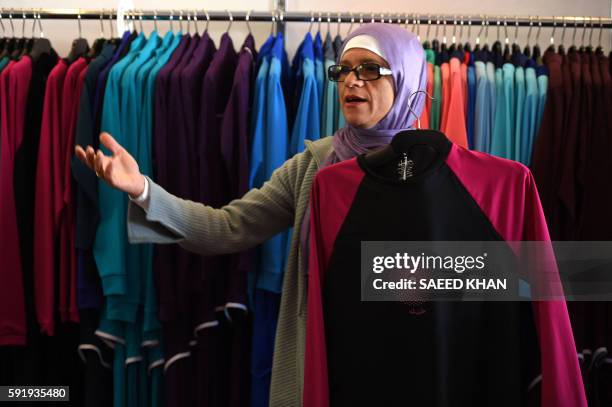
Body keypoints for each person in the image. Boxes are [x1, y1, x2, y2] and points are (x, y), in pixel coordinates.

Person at [75, 23, 427, 406]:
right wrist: (142, 189)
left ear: (407, 79)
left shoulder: (433, 173)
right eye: (343, 69)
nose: (352, 81)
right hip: (318, 362)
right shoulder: (313, 165)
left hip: (398, 363)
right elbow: (228, 227)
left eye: (370, 70)